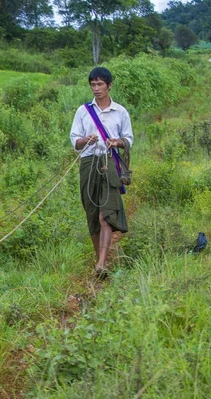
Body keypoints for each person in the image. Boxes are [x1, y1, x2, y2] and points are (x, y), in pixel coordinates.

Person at [70, 67, 134, 278]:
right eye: (93, 85)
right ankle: (101, 260)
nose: (96, 89)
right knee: (92, 213)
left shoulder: (120, 112)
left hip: (110, 164)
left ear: (109, 85)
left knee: (106, 214)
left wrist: (116, 142)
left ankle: (101, 262)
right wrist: (85, 139)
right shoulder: (83, 111)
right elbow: (75, 141)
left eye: (100, 84)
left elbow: (129, 139)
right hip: (88, 164)